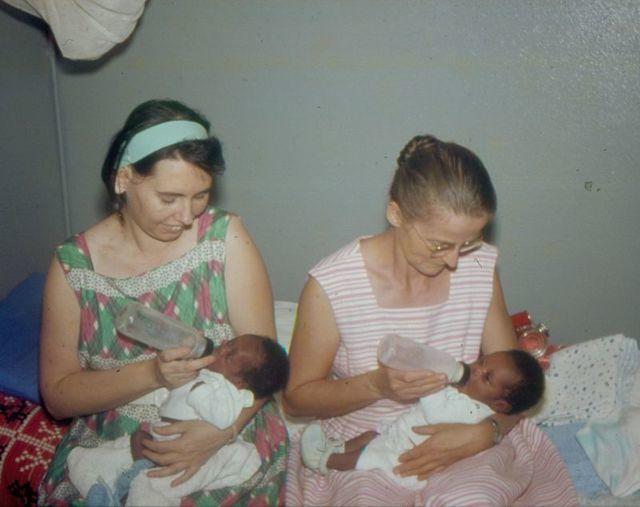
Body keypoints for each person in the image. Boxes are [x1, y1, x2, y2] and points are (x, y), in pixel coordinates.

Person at [283, 135, 576, 506]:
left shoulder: (477, 266)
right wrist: (377, 386)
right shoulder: (334, 286)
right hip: (369, 444)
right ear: (396, 214)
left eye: (468, 242)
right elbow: (295, 401)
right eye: (440, 244)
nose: (455, 261)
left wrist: (486, 433)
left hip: (468, 434)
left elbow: (511, 385)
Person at [38, 100, 288, 506]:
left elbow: (267, 366)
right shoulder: (73, 266)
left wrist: (218, 433)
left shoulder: (223, 238)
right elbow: (59, 396)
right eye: (169, 198)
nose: (186, 216)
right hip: (115, 438)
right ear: (123, 179)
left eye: (200, 196)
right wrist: (153, 374)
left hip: (227, 423)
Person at [67, 334, 290, 506]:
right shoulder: (205, 371)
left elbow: (222, 419)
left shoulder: (229, 395)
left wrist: (199, 390)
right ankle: (118, 487)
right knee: (125, 445)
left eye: (229, 356)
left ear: (240, 382)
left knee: (153, 486)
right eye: (228, 343)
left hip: (188, 454)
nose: (221, 349)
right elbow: (166, 393)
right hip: (162, 437)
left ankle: (131, 490)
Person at [300, 349, 544, 486]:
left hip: (404, 460)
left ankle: (325, 460)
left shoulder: (475, 412)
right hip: (395, 436)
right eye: (481, 362)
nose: (477, 370)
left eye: (487, 378)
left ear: (499, 404)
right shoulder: (467, 392)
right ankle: (336, 446)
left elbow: (437, 412)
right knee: (370, 436)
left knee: (366, 455)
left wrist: (433, 382)